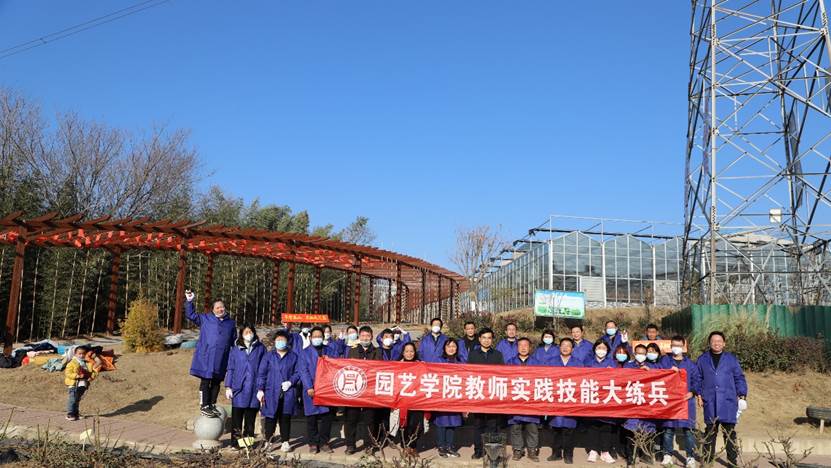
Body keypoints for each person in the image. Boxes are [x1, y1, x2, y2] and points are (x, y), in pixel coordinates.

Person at [697, 331, 747, 467]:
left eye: (719, 341)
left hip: (728, 401)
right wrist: (699, 395)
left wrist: (742, 394)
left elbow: (739, 377)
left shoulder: (731, 359)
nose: (716, 343)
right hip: (710, 400)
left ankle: (732, 462)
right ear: (709, 343)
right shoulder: (702, 359)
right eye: (713, 341)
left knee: (729, 433)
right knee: (710, 432)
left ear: (724, 343)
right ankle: (707, 461)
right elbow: (698, 378)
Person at [184, 290, 237, 417]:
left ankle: (212, 404)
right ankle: (204, 405)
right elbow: (190, 315)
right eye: (217, 307)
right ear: (213, 309)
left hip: (222, 358)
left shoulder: (230, 323)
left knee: (216, 382)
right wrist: (189, 301)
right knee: (205, 381)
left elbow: (234, 341)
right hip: (206, 357)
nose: (220, 309)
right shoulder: (205, 318)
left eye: (222, 307)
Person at [660, 335, 700, 467]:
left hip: (686, 402)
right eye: (674, 345)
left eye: (679, 345)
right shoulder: (665, 361)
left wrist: (692, 392)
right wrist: (667, 372)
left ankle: (690, 457)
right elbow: (657, 374)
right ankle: (667, 455)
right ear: (670, 346)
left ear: (683, 347)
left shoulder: (690, 364)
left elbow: (697, 380)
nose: (676, 348)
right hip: (670, 401)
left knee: (688, 430)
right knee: (668, 429)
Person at [257, 329, 299, 452]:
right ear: (274, 341)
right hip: (271, 391)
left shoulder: (293, 356)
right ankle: (268, 441)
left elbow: (298, 372)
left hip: (287, 392)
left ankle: (285, 441)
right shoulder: (269, 356)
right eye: (278, 340)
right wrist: (260, 389)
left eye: (283, 340)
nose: (280, 342)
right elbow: (262, 373)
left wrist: (291, 382)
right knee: (270, 417)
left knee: (285, 417)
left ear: (287, 341)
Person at [299, 326, 339, 453]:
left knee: (327, 417)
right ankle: (313, 443)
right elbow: (303, 370)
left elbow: (336, 366)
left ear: (323, 337)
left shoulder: (330, 350)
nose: (317, 338)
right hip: (311, 389)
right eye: (315, 336)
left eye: (319, 336)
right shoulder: (304, 352)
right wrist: (309, 386)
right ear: (310, 338)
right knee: (312, 418)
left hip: (327, 389)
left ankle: (324, 442)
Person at [225, 324, 266, 448]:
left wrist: (261, 388)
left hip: (254, 389)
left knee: (250, 420)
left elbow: (263, 369)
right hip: (239, 389)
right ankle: (236, 444)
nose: (249, 334)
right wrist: (228, 386)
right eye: (246, 332)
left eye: (250, 331)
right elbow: (231, 368)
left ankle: (248, 445)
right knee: (237, 419)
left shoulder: (260, 348)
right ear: (241, 334)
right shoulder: (235, 349)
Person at [467, 327, 504, 459]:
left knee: (492, 425)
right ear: (479, 339)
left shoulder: (498, 355)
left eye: (489, 338)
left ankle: (491, 452)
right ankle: (478, 450)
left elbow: (502, 374)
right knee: (478, 424)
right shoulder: (473, 355)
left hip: (493, 395)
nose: (486, 340)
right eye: (484, 338)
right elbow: (468, 373)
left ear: (492, 340)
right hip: (478, 394)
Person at [345, 326, 383, 454]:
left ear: (372, 337)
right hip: (354, 389)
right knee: (351, 418)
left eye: (367, 336)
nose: (365, 338)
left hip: (370, 391)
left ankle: (369, 445)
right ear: (359, 337)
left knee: (370, 419)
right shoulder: (352, 351)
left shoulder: (377, 351)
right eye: (362, 336)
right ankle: (350, 445)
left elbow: (380, 368)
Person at [622, 344, 660, 465]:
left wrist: (650, 372)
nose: (640, 355)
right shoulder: (628, 365)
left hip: (647, 403)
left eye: (643, 353)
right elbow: (622, 378)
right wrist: (637, 372)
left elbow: (661, 378)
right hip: (632, 402)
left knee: (647, 428)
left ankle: (646, 455)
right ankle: (631, 457)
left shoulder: (653, 366)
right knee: (631, 428)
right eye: (638, 353)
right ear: (634, 354)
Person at [506, 337, 541, 462]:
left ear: (530, 347)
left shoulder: (537, 363)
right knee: (515, 427)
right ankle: (517, 449)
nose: (523, 348)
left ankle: (532, 450)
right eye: (520, 345)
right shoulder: (510, 362)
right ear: (517, 347)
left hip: (531, 400)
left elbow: (540, 380)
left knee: (532, 427)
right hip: (515, 399)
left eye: (526, 345)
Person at [583, 340, 617, 464]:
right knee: (592, 425)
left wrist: (612, 372)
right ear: (594, 349)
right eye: (599, 347)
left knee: (606, 426)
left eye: (603, 348)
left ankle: (605, 451)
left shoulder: (612, 363)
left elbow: (619, 379)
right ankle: (593, 450)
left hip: (607, 398)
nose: (601, 350)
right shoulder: (588, 362)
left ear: (607, 350)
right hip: (592, 397)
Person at [547, 337, 580, 464]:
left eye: (568, 345)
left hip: (571, 399)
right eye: (563, 345)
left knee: (569, 429)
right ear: (559, 347)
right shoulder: (551, 362)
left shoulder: (578, 363)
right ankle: (556, 453)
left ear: (572, 349)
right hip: (555, 400)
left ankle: (568, 455)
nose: (565, 348)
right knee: (555, 429)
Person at [433, 339, 463, 458]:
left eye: (453, 346)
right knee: (442, 421)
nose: (451, 348)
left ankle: (450, 446)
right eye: (448, 346)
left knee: (453, 422)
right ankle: (441, 446)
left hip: (455, 395)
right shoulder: (438, 360)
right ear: (444, 348)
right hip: (442, 395)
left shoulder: (460, 362)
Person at [398, 342, 424, 455]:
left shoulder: (420, 365)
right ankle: (405, 446)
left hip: (417, 400)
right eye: (407, 351)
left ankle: (413, 446)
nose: (409, 354)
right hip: (401, 400)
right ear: (403, 353)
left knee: (417, 425)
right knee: (403, 424)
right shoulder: (397, 365)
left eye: (411, 351)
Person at [64, 346, 95, 421]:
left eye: (83, 354)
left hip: (83, 384)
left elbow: (93, 372)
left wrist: (91, 377)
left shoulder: (87, 363)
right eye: (79, 354)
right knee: (73, 399)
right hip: (74, 384)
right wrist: (77, 376)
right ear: (75, 354)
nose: (81, 355)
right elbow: (68, 373)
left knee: (77, 399)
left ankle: (76, 413)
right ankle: (70, 413)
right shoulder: (72, 363)